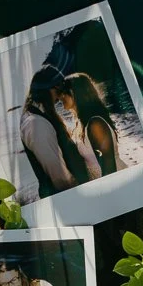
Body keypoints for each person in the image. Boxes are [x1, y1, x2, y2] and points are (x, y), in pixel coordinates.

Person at [19, 65, 99, 197]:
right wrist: (82, 193)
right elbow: (61, 178)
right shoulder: (36, 124)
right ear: (49, 88)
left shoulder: (41, 116)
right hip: (74, 195)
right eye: (58, 88)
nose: (60, 96)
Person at [62, 72, 121, 176]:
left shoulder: (95, 124)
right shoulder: (78, 123)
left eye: (64, 92)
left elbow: (110, 168)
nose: (61, 97)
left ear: (75, 93)